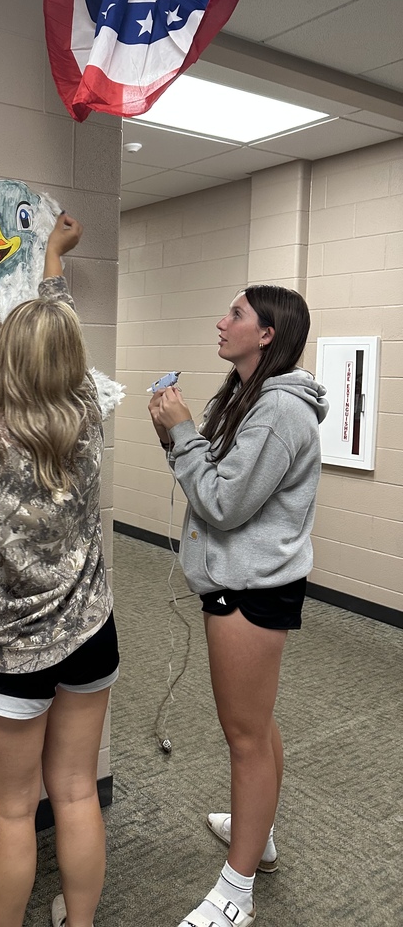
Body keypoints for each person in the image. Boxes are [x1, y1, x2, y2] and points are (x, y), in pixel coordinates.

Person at [0, 213, 118, 927]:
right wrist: (55, 262)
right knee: (74, 793)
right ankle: (82, 921)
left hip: (7, 656)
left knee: (12, 811)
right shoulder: (90, 416)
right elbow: (57, 329)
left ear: (7, 362)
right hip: (91, 638)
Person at [149, 286, 328, 927]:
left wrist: (181, 434)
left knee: (244, 737)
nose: (220, 321)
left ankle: (237, 891)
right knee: (257, 722)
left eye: (236, 315)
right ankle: (262, 833)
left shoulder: (280, 413)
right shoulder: (248, 398)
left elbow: (223, 505)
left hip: (252, 589)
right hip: (240, 579)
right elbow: (216, 482)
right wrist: (179, 439)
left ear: (267, 336)